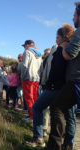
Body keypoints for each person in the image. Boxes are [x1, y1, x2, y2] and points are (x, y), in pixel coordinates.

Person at [26, 24, 75, 148]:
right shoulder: (71, 49)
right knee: (69, 117)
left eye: (57, 37)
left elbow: (57, 70)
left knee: (37, 107)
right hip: (67, 88)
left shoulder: (61, 50)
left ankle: (39, 137)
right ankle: (68, 144)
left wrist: (49, 84)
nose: (55, 39)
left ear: (62, 37)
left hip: (56, 87)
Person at [47, 2, 80, 149]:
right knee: (66, 111)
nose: (73, 18)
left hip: (76, 81)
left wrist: (64, 46)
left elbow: (68, 55)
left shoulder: (79, 32)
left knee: (57, 107)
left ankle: (55, 146)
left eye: (74, 15)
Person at [21, 40, 42, 122]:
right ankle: (35, 115)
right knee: (35, 98)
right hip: (37, 78)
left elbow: (24, 65)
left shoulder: (27, 52)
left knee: (29, 98)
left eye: (24, 46)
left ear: (27, 45)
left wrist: (22, 77)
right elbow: (41, 66)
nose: (24, 47)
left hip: (28, 78)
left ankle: (32, 117)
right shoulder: (39, 54)